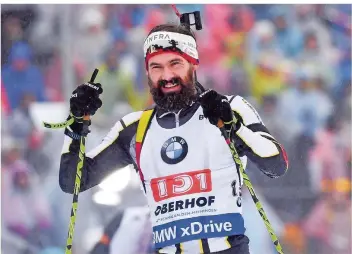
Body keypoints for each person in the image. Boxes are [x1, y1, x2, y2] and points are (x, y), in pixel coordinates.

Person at [59, 23, 289, 254]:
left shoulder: (231, 107)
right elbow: (72, 181)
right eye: (156, 67)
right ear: (147, 72)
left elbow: (276, 164)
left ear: (193, 64)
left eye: (175, 64)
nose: (167, 76)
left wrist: (234, 127)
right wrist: (76, 122)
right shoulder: (134, 128)